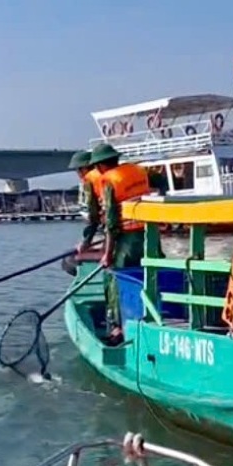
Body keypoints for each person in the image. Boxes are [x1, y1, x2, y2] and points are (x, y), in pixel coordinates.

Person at [75, 143, 152, 343]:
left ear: (100, 166)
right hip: (149, 235)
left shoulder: (109, 181)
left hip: (126, 239)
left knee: (114, 278)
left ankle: (118, 327)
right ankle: (147, 315)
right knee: (148, 275)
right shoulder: (137, 171)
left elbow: (109, 221)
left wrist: (106, 253)